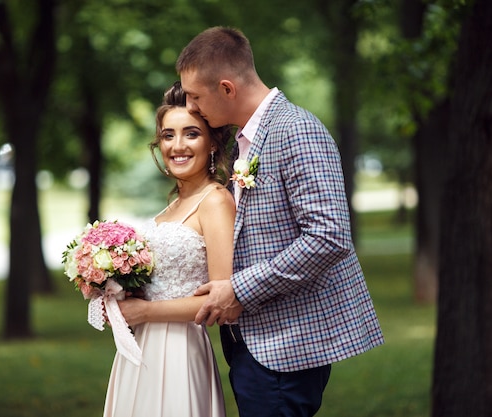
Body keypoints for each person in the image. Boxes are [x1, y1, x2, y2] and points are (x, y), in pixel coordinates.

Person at [176, 27, 385, 417]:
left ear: (227, 88)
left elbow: (328, 236)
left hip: (286, 346)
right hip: (256, 342)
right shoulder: (250, 138)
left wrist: (239, 288)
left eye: (195, 96)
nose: (190, 107)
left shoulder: (296, 130)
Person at [102, 81, 235, 417]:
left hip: (179, 351)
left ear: (213, 143)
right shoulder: (169, 209)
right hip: (140, 349)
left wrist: (145, 313)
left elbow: (221, 300)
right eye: (167, 135)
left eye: (191, 134)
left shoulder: (215, 201)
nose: (178, 146)